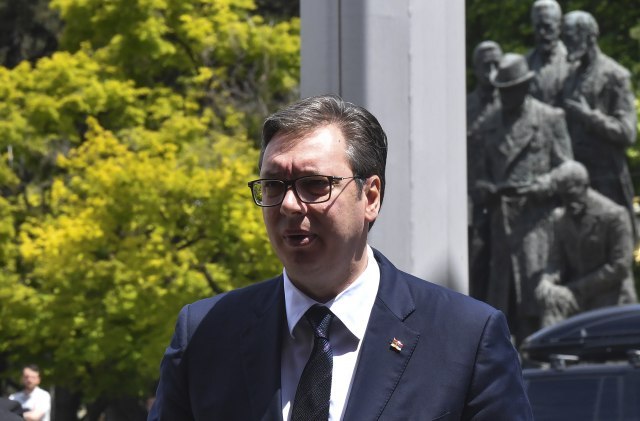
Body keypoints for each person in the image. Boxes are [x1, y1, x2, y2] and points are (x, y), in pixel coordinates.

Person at [149, 94, 532, 420]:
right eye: (273, 185)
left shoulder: (466, 338)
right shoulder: (205, 335)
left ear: (370, 197)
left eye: (314, 184)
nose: (288, 205)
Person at [474, 53, 572, 345]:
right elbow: (478, 176)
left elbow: (568, 169)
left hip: (537, 223)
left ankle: (542, 353)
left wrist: (541, 185)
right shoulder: (489, 123)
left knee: (535, 299)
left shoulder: (550, 118)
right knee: (503, 304)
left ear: (524, 87)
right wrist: (486, 188)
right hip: (501, 227)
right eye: (501, 90)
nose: (504, 96)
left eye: (510, 90)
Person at [561, 10, 638, 240]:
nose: (566, 44)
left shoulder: (615, 76)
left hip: (608, 180)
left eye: (571, 37)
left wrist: (590, 117)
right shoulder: (570, 78)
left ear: (589, 36)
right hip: (578, 184)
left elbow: (627, 132)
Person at [536, 160, 637, 327]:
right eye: (562, 196)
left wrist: (575, 289)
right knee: (552, 302)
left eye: (570, 194)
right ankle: (545, 344)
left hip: (612, 301)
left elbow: (619, 266)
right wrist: (547, 281)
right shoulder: (560, 219)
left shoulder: (614, 215)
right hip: (578, 301)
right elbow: (556, 261)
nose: (567, 201)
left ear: (585, 186)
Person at [467, 40, 502, 301]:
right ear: (476, 69)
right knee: (477, 263)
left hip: (505, 201)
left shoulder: (511, 106)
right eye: (486, 65)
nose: (492, 71)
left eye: (496, 64)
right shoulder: (465, 107)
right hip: (473, 202)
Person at [525, 0, 571, 106]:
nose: (542, 33)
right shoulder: (526, 63)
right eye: (538, 27)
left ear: (559, 27)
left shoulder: (571, 61)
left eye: (547, 27)